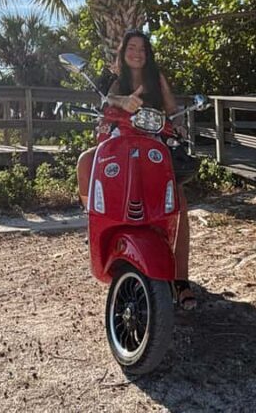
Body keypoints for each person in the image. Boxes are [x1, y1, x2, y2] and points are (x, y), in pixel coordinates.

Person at [76, 29, 196, 310]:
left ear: (148, 53)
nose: (137, 53)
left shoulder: (157, 78)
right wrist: (123, 101)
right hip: (120, 142)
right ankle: (94, 221)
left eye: (142, 48)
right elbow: (108, 100)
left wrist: (178, 125)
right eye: (131, 47)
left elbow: (172, 109)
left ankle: (181, 280)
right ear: (123, 51)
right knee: (85, 163)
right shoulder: (117, 79)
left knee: (179, 202)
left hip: (153, 146)